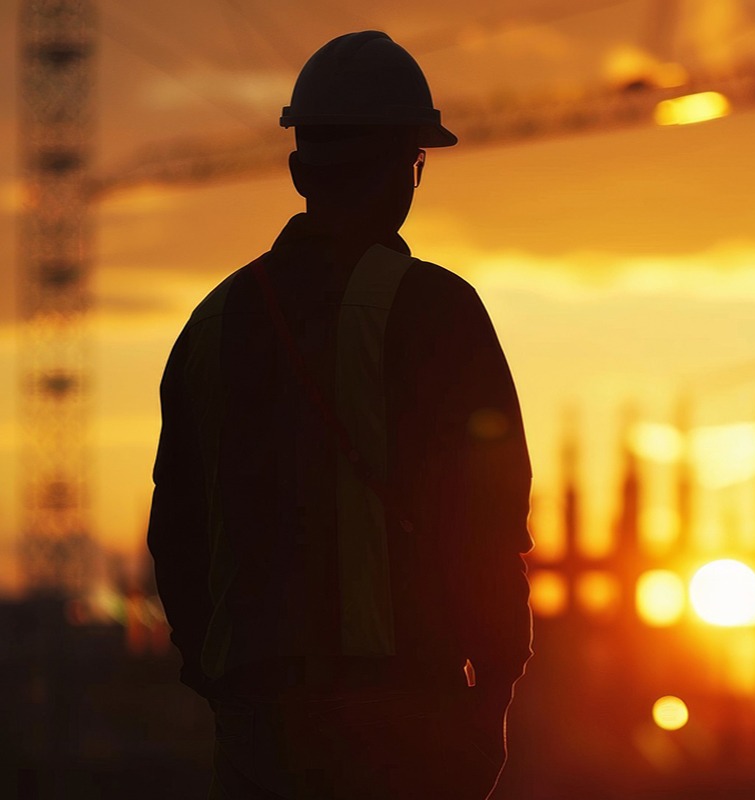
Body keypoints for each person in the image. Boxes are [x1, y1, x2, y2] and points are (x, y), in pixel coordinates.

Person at [147, 31, 533, 799]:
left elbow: (176, 536)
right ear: (408, 170)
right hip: (402, 718)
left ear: (299, 171)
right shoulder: (435, 309)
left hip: (259, 723)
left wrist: (223, 685)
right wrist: (494, 688)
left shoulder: (211, 325)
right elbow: (488, 519)